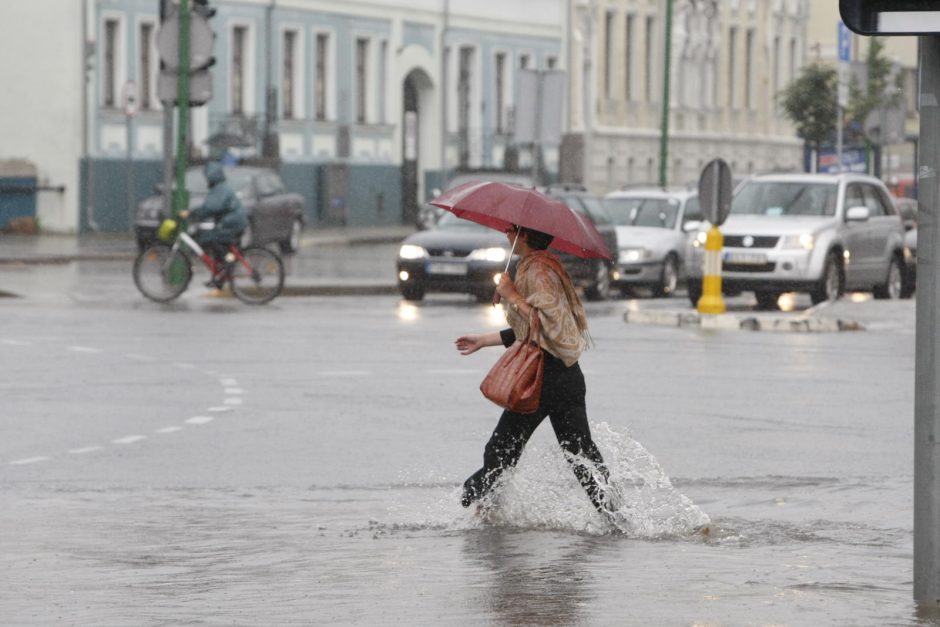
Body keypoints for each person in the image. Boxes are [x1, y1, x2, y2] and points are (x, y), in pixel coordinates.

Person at [455, 224, 616, 517]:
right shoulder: (536, 266)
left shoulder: (539, 272)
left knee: (501, 449)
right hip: (563, 376)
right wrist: (483, 340)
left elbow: (545, 324)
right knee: (580, 455)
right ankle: (616, 515)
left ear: (525, 235)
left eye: (511, 230)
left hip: (546, 378)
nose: (506, 234)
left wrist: (512, 295)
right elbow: (527, 330)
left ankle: (476, 504)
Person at [179, 161, 248, 287]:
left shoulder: (220, 189)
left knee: (208, 239)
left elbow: (211, 208)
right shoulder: (220, 188)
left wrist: (190, 214)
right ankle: (219, 275)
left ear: (212, 176)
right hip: (230, 223)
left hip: (231, 224)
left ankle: (225, 266)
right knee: (212, 240)